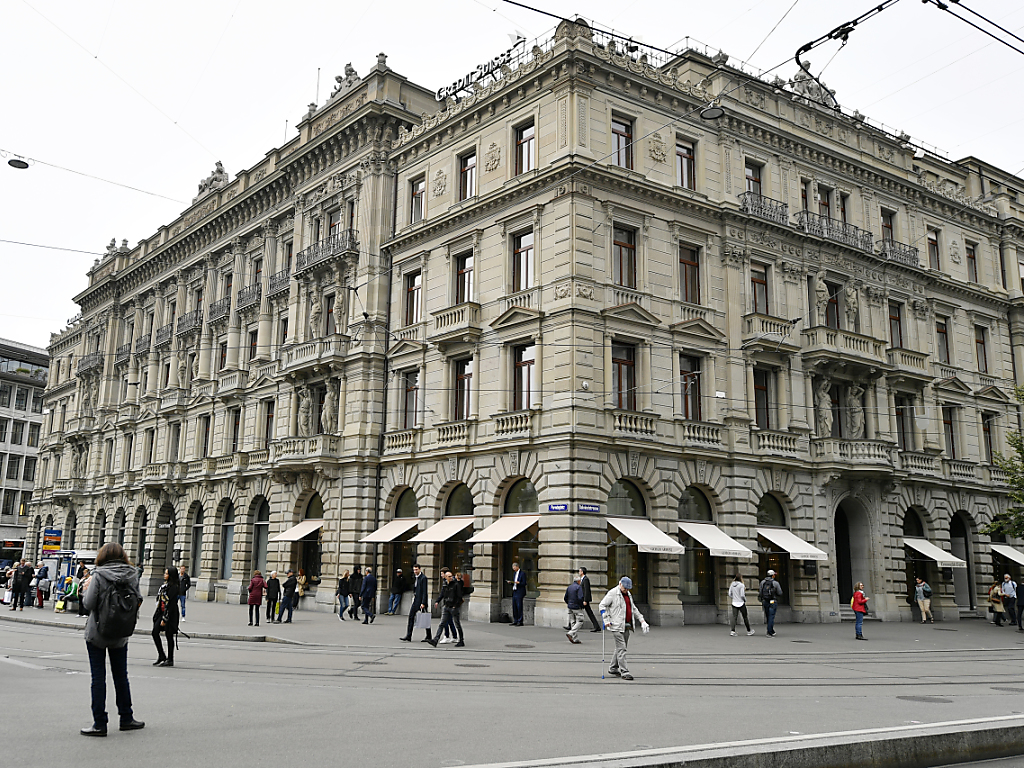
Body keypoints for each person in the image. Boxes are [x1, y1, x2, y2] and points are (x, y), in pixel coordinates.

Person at [80, 542, 145, 736]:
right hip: (121, 632)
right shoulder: (132, 574)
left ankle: (100, 723)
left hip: (97, 632)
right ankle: (126, 717)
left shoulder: (98, 575)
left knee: (98, 678)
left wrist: (85, 590)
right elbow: (138, 600)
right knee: (121, 676)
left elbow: (88, 603)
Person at [598, 576, 649, 681]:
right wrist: (606, 620)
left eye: (628, 588)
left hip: (626, 625)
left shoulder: (628, 594)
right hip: (616, 625)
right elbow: (602, 605)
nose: (626, 590)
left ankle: (613, 668)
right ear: (620, 584)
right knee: (622, 648)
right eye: (625, 588)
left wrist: (642, 620)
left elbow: (633, 608)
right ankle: (625, 672)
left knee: (620, 647)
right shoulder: (612, 593)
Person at [428, 568, 464, 647]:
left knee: (457, 624)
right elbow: (442, 594)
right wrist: (437, 601)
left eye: (451, 576)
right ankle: (435, 639)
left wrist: (455, 606)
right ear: (446, 577)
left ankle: (461, 640)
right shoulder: (445, 584)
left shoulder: (456, 584)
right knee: (442, 623)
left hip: (453, 607)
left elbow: (459, 597)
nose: (451, 577)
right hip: (446, 606)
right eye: (449, 576)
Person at [152, 567, 180, 666]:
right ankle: (161, 655)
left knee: (169, 635)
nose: (165, 575)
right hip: (161, 612)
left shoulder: (174, 587)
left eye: (167, 573)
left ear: (171, 575)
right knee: (155, 632)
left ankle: (170, 659)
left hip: (170, 614)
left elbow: (171, 604)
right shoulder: (164, 586)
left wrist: (165, 618)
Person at [401, 563, 432, 643]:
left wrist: (423, 603)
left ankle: (429, 636)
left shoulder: (423, 578)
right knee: (411, 617)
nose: (415, 571)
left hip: (421, 601)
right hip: (416, 600)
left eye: (416, 569)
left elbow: (424, 591)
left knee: (425, 618)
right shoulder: (415, 577)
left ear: (420, 569)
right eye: (414, 570)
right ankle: (408, 636)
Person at [759, 569, 782, 637]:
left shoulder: (762, 582)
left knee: (768, 616)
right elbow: (780, 592)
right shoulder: (775, 583)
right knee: (771, 616)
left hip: (765, 601)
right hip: (772, 600)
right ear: (772, 575)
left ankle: (771, 631)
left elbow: (760, 592)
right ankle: (769, 632)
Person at [564, 574, 585, 644]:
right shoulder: (578, 587)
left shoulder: (569, 587)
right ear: (579, 581)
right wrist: (581, 605)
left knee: (572, 621)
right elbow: (580, 597)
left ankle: (575, 638)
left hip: (570, 606)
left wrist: (569, 603)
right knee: (580, 620)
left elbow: (565, 597)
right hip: (576, 607)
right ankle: (571, 633)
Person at [579, 567, 601, 633]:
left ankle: (597, 626)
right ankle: (596, 626)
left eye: (579, 571)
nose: (579, 572)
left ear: (582, 572)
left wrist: (585, 600)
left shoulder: (585, 579)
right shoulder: (582, 579)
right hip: (582, 599)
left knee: (588, 612)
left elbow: (586, 590)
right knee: (576, 610)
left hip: (584, 599)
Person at [509, 562, 526, 626]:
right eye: (513, 567)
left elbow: (524, 583)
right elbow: (514, 582)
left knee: (519, 606)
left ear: (517, 567)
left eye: (514, 567)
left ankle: (520, 621)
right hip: (515, 590)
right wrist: (511, 583)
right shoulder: (514, 573)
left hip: (520, 591)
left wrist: (519, 583)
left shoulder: (522, 573)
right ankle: (515, 620)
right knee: (514, 606)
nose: (513, 568)